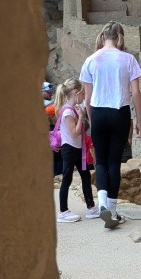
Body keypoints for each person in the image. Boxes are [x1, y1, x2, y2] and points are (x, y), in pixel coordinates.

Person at [79, 21, 141, 229]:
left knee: (101, 161)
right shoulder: (128, 59)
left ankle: (102, 205)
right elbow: (135, 93)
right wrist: (139, 120)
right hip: (120, 112)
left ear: (103, 36)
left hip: (98, 113)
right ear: (120, 37)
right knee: (114, 162)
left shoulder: (91, 60)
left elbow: (87, 97)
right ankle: (113, 211)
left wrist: (91, 118)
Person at [53, 78, 98, 223]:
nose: (83, 97)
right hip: (69, 148)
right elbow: (75, 133)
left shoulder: (72, 110)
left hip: (76, 148)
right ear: (75, 93)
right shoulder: (68, 111)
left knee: (85, 176)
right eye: (82, 94)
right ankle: (63, 211)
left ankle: (91, 207)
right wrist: (81, 117)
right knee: (67, 178)